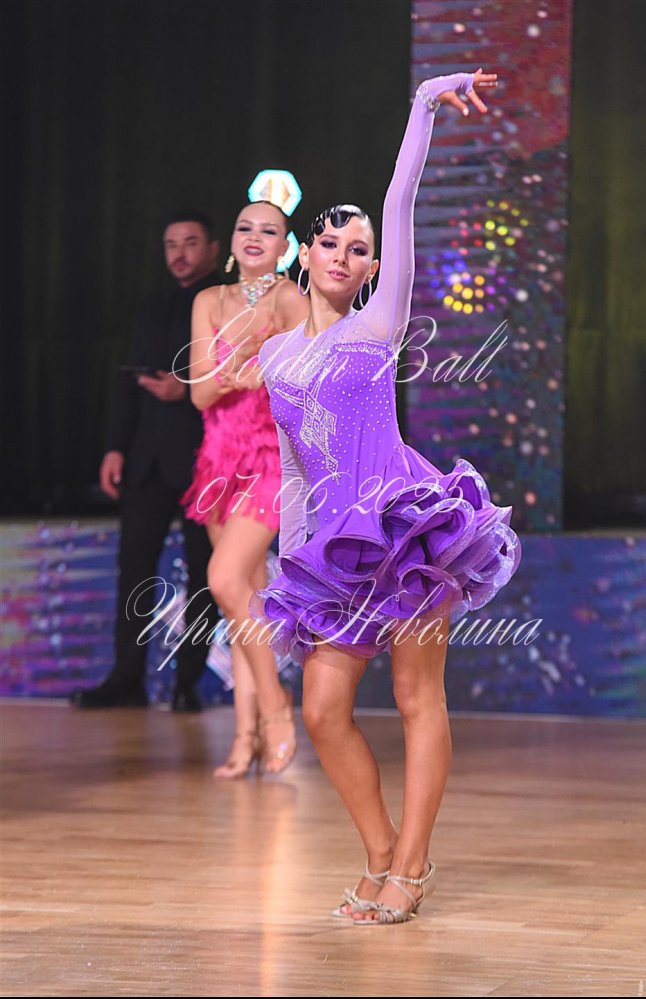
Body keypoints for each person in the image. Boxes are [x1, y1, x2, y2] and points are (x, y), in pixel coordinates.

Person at [249, 70, 521, 923]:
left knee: (415, 699)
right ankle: (380, 853)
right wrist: (293, 552)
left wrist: (424, 104)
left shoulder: (379, 326)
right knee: (324, 709)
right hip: (331, 546)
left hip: (406, 530)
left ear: (371, 266)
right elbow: (295, 468)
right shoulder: (275, 357)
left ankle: (411, 865)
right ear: (304, 254)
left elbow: (400, 199)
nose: (343, 254)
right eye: (329, 242)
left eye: (359, 248)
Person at [71, 211, 221, 712]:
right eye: (171, 244)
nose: (179, 253)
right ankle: (127, 678)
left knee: (204, 575)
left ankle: (187, 683)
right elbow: (128, 384)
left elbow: (241, 377)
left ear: (214, 249)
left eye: (190, 242)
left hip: (205, 458)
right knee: (133, 569)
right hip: (147, 458)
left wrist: (188, 388)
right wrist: (116, 447)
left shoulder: (226, 302)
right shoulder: (150, 308)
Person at [182, 200, 310, 775]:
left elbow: (312, 374)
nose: (255, 237)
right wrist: (236, 364)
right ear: (231, 241)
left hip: (270, 460)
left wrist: (269, 363)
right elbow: (200, 393)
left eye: (269, 230)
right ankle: (244, 736)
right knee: (242, 603)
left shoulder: (289, 298)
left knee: (225, 579)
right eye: (245, 227)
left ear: (284, 247)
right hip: (217, 462)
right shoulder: (209, 301)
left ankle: (278, 710)